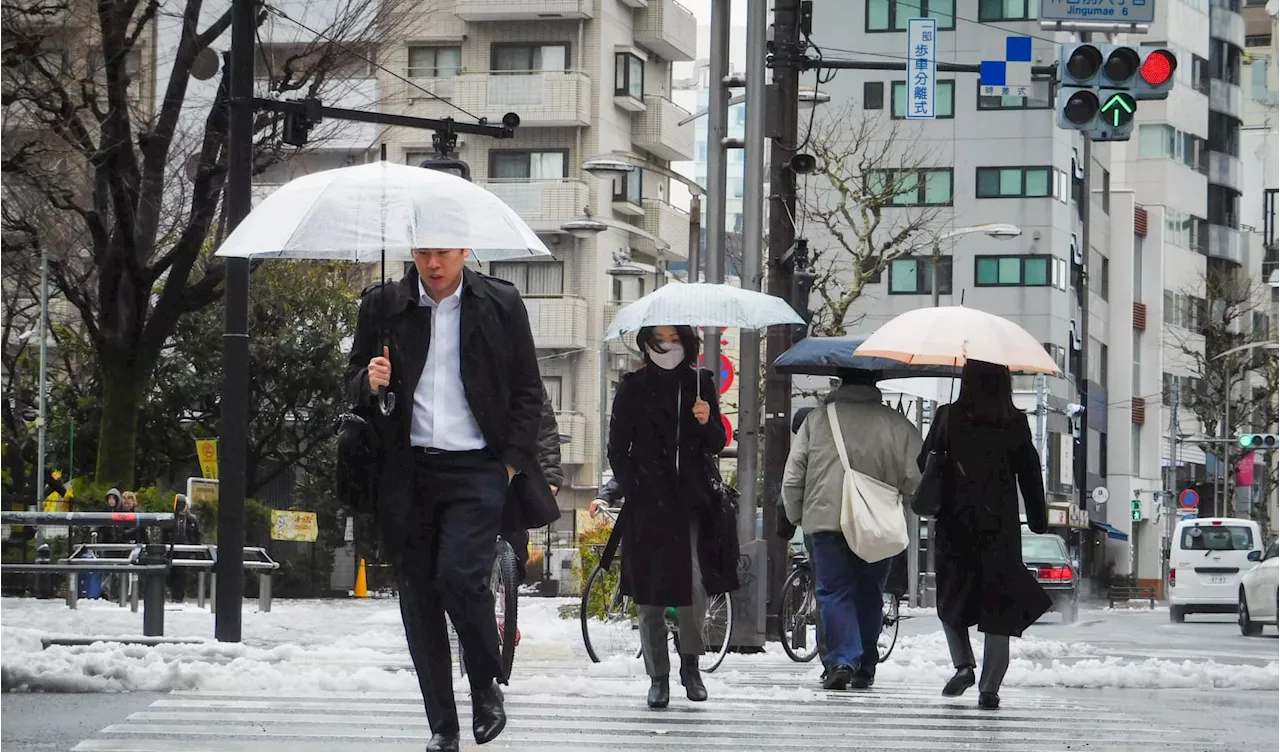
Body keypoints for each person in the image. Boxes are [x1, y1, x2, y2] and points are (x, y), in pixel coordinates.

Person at [347, 235, 557, 752]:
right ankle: (443, 725)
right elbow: (349, 380)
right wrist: (367, 382)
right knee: (418, 599)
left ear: (466, 250)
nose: (433, 264)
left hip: (478, 469)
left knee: (460, 577)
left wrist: (509, 465)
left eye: (443, 252)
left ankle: (484, 684)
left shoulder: (500, 303)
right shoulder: (383, 305)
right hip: (406, 471)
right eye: (422, 253)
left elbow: (529, 389)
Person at [606, 324, 737, 709]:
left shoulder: (700, 384)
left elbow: (717, 442)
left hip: (691, 505)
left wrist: (705, 419)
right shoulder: (633, 386)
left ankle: (691, 665)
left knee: (693, 588)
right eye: (659, 341)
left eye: (675, 340)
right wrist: (635, 487)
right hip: (647, 506)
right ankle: (657, 676)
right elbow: (617, 447)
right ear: (646, 344)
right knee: (649, 597)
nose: (667, 347)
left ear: (687, 342)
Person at [917, 359, 1051, 711]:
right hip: (1000, 529)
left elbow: (923, 462)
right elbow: (1031, 476)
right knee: (999, 604)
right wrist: (1038, 519)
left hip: (954, 525)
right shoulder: (1015, 422)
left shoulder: (949, 416)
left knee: (950, 598)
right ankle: (990, 687)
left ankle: (963, 664)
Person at [782, 372, 922, 691]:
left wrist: (795, 514)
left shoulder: (817, 421)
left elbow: (793, 476)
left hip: (826, 520)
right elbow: (916, 479)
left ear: (839, 384)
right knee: (869, 593)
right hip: (878, 523)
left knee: (833, 592)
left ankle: (843, 658)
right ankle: (866, 665)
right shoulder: (898, 425)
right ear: (876, 384)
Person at [503, 386, 563, 584]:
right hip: (472, 465)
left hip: (515, 469)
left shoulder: (520, 372)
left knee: (515, 543)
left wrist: (551, 476)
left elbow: (545, 429)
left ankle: (508, 586)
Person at [167, 494, 203, 602]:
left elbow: (197, 535)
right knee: (172, 572)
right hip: (173, 548)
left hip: (185, 549)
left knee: (181, 573)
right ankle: (174, 594)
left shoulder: (192, 520)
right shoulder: (171, 518)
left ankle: (178, 596)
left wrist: (196, 550)